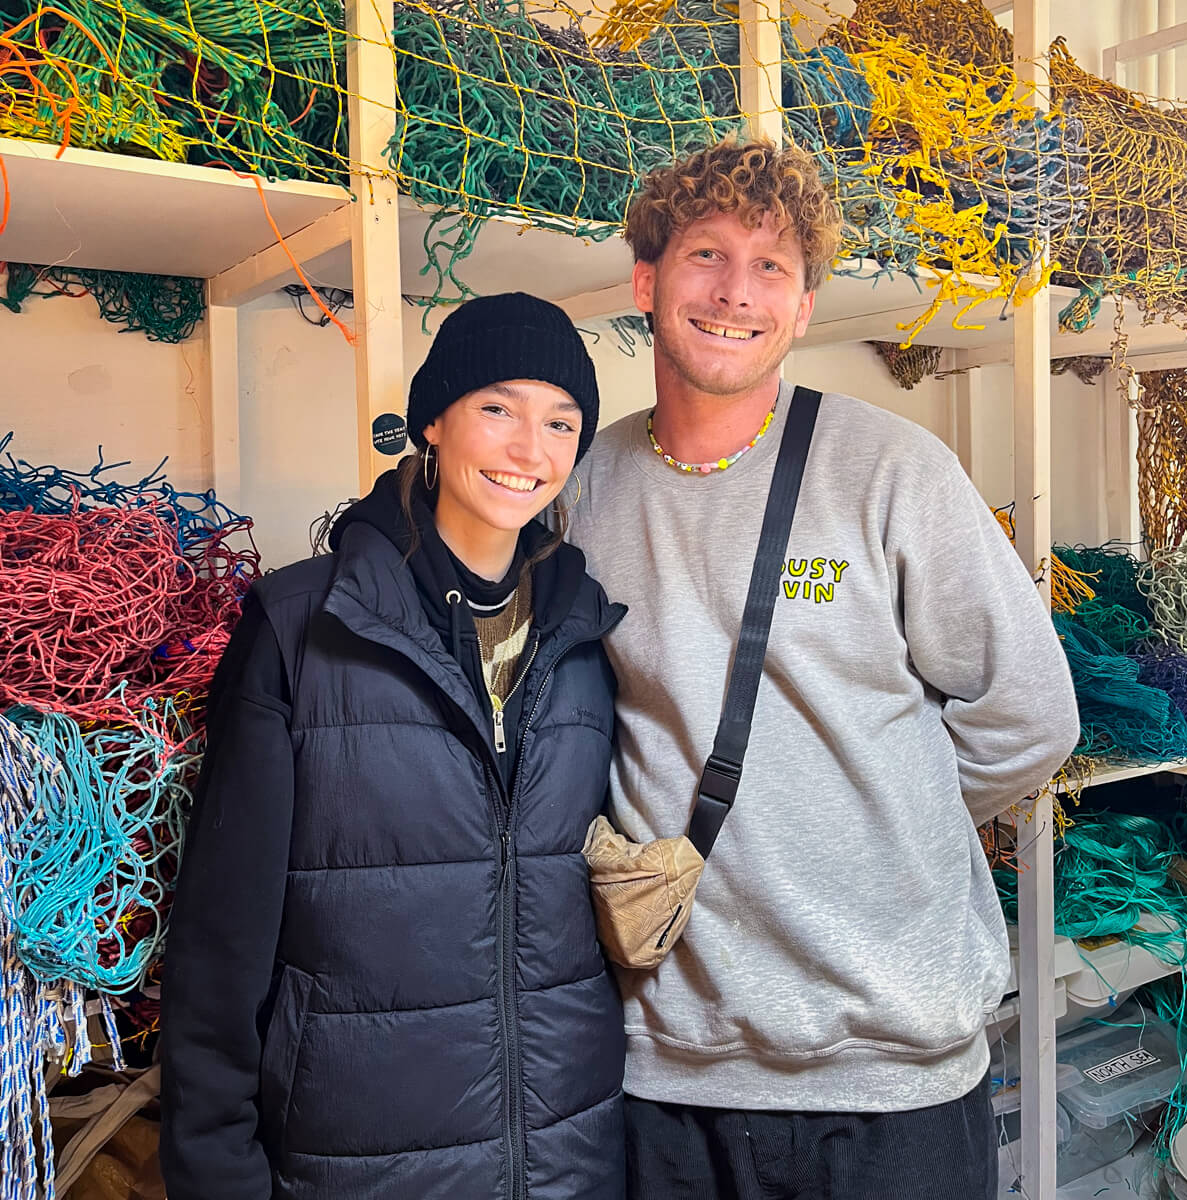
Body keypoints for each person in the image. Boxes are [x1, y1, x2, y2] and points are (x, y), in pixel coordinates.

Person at [569, 136, 1080, 1200]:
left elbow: (1029, 713)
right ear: (647, 279)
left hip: (891, 1072)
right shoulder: (587, 486)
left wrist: (879, 825)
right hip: (673, 1065)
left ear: (803, 309)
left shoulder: (892, 472)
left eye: (772, 269)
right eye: (706, 254)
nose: (734, 292)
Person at [159, 293, 627, 1200]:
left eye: (560, 422)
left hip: (569, 1160)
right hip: (359, 1166)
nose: (530, 450)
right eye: (498, 408)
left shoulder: (586, 638)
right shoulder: (301, 625)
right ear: (433, 424)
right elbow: (220, 945)